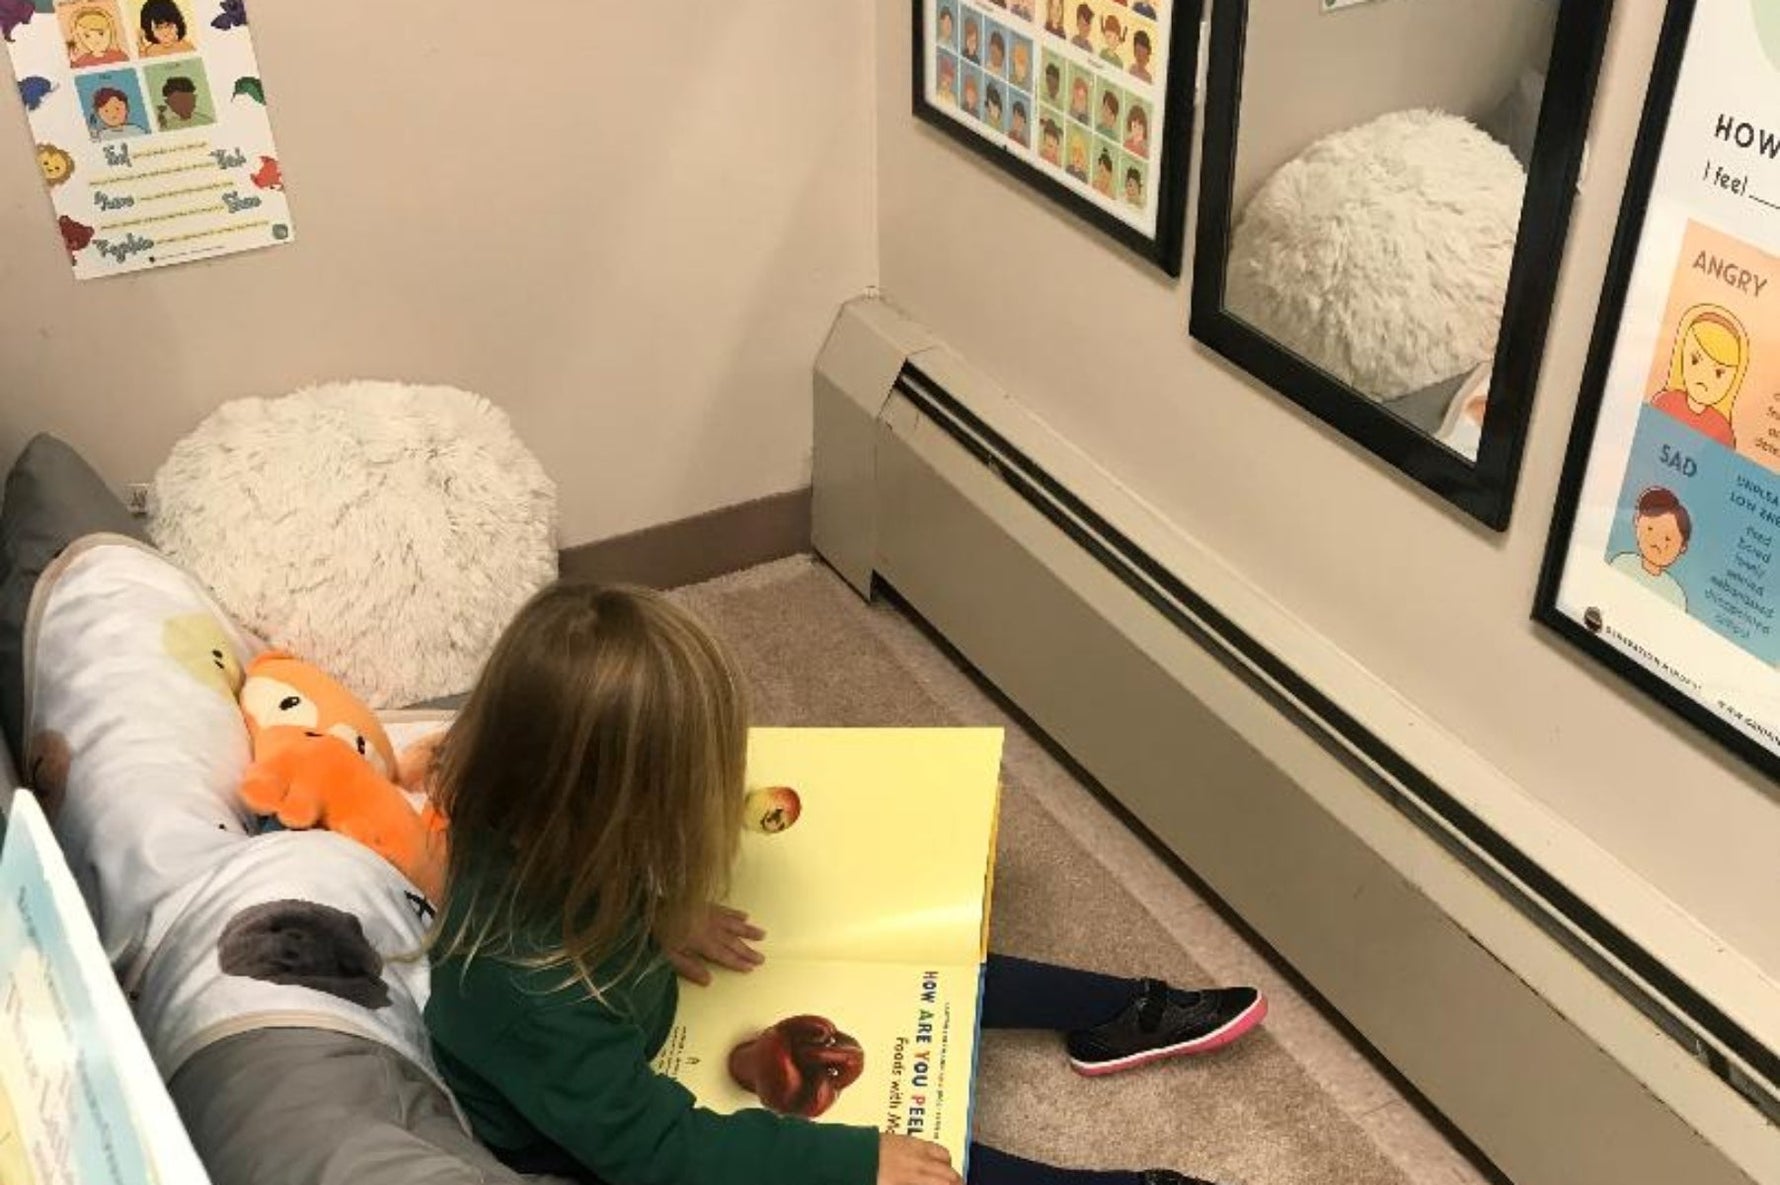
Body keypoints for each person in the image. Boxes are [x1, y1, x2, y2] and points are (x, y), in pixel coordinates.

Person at [424, 584, 1264, 1185]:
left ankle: (1107, 1012)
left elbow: (571, 887)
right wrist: (853, 1161)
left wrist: (651, 921)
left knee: (894, 957)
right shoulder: (523, 990)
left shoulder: (532, 822)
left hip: (630, 1017)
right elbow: (658, 1150)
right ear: (613, 814)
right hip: (602, 1134)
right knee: (919, 1163)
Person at [1650, 304, 1747, 450]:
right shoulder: (1664, 402)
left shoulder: (1723, 432)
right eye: (1695, 360)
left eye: (1719, 373)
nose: (1704, 376)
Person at [1608, 488, 1693, 612]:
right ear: (1637, 520)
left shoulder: (1675, 594)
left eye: (1667, 539)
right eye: (1650, 529)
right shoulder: (1622, 563)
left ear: (1682, 547)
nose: (1657, 542)